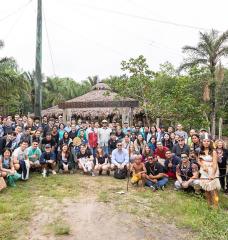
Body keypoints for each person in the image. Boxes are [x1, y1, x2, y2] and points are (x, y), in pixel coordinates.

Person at [198, 135, 221, 208]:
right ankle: (209, 204)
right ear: (202, 142)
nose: (206, 142)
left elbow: (215, 164)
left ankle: (216, 205)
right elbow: (199, 160)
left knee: (213, 189)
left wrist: (213, 174)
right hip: (204, 171)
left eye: (208, 141)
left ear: (210, 142)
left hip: (212, 171)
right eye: (204, 141)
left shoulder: (213, 152)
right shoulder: (200, 151)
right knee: (206, 188)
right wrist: (203, 165)